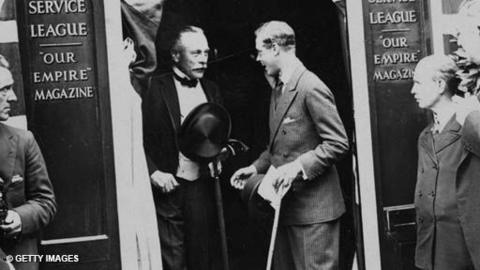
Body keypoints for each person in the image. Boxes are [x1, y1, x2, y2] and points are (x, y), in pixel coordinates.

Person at [231, 21, 349, 270]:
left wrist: (297, 167)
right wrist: (255, 168)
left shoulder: (310, 86)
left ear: (275, 48)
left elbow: (338, 143)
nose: (258, 59)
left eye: (260, 52)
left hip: (314, 213)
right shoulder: (278, 89)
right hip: (285, 208)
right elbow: (278, 146)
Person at [142, 26, 222, 270]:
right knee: (172, 261)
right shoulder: (152, 87)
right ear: (176, 55)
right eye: (196, 52)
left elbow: (223, 139)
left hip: (200, 187)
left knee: (202, 256)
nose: (203, 59)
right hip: (167, 185)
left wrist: (220, 157)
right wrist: (153, 172)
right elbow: (132, 137)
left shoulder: (212, 90)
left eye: (206, 53)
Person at [410, 54, 480, 270]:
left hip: (462, 250)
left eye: (418, 83)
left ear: (440, 85)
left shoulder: (469, 127)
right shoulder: (425, 136)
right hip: (430, 247)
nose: (413, 90)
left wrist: (472, 116)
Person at [0, 55, 56, 270]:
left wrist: (18, 218)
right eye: (4, 89)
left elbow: (45, 202)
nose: (13, 97)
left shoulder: (24, 141)